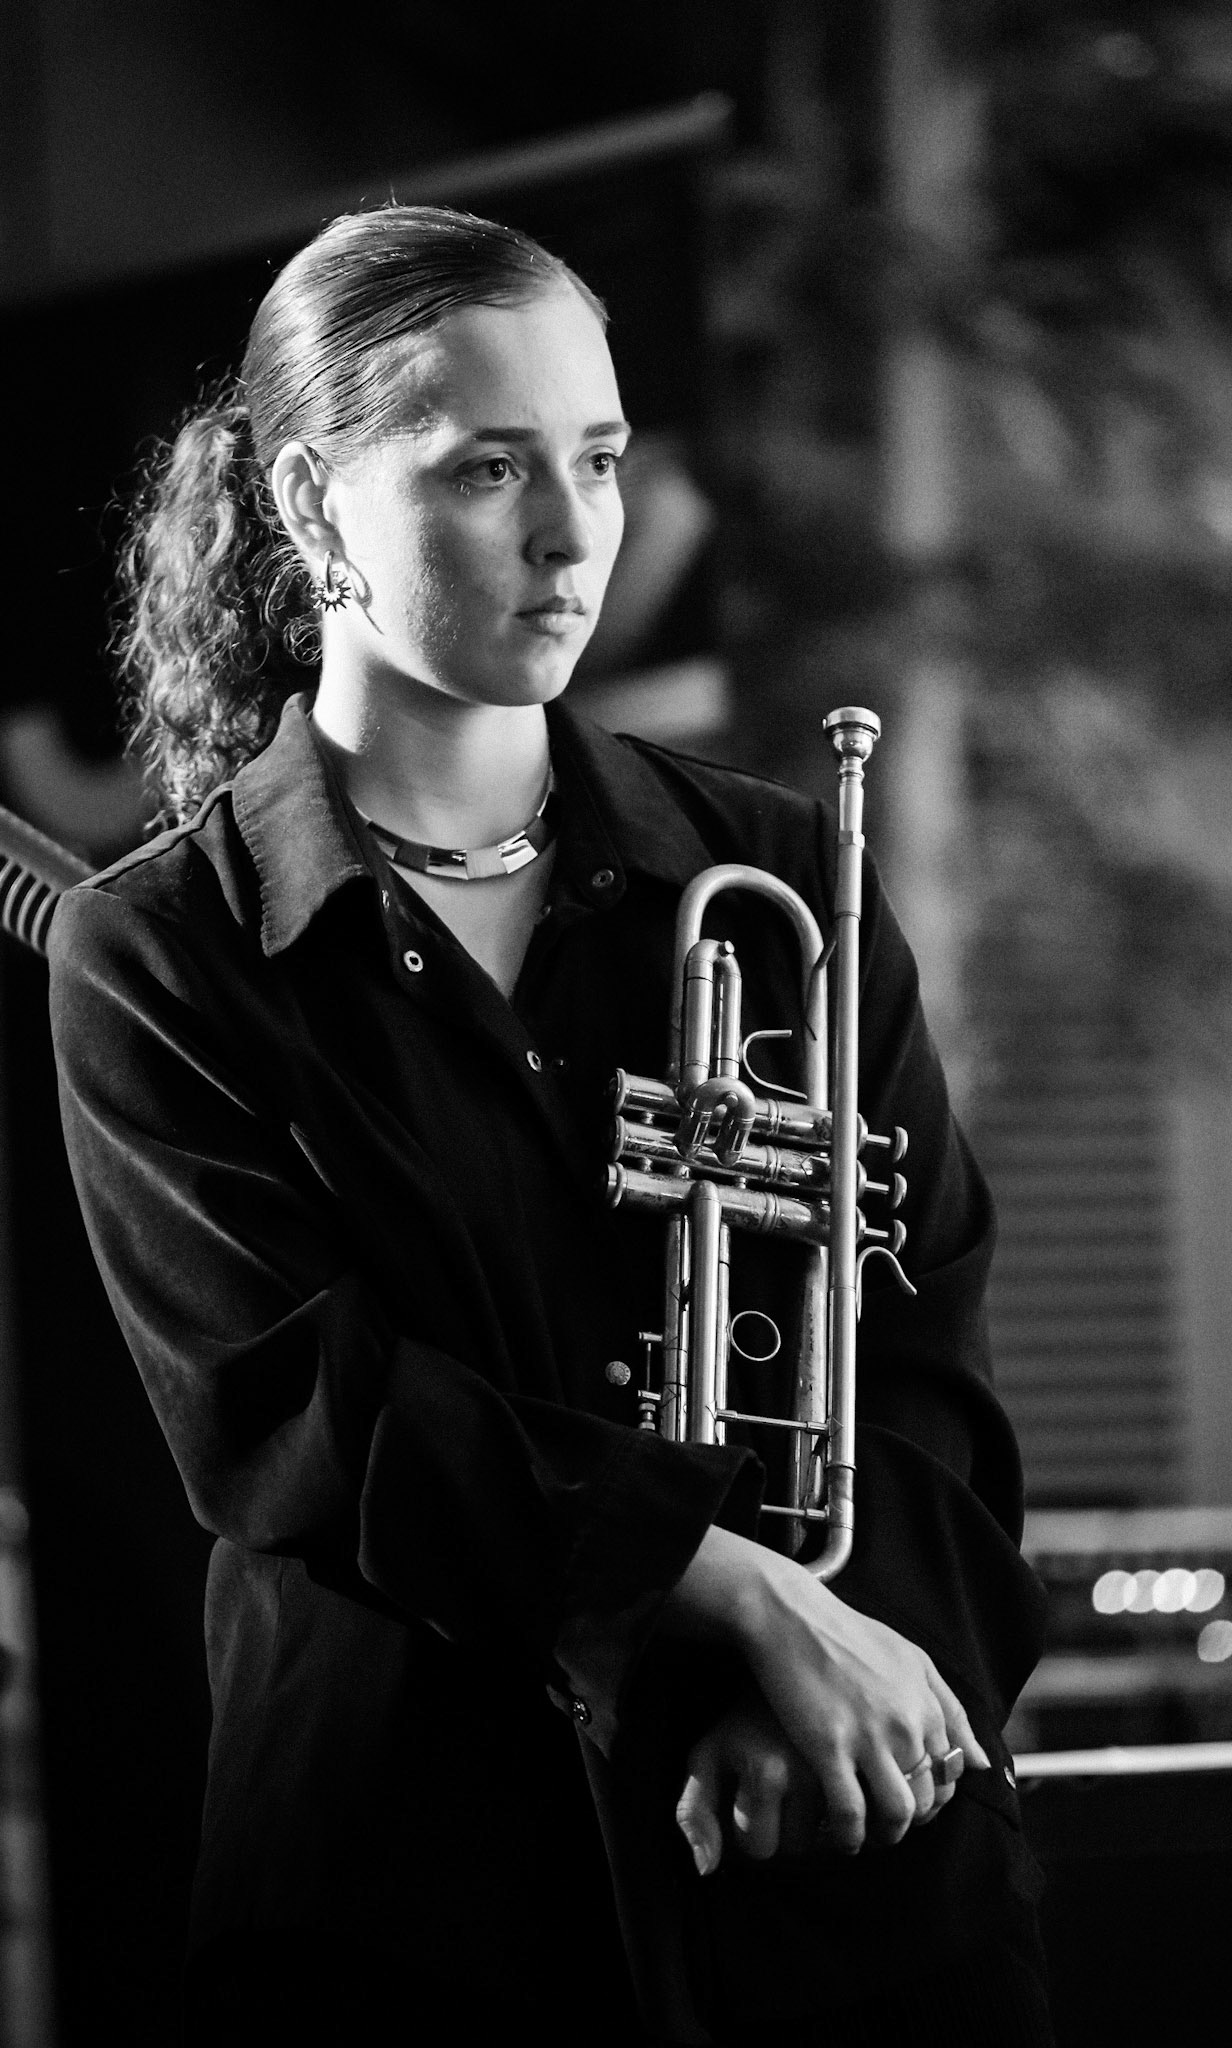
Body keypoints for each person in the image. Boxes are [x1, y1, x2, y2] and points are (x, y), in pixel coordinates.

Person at [47, 205, 1053, 2046]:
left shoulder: (776, 878)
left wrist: (841, 1682)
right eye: (487, 468)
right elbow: (301, 1421)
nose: (573, 532)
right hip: (415, 1902)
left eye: (596, 458)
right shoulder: (164, 953)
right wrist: (733, 1585)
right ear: (304, 506)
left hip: (824, 1850)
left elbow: (923, 1355)